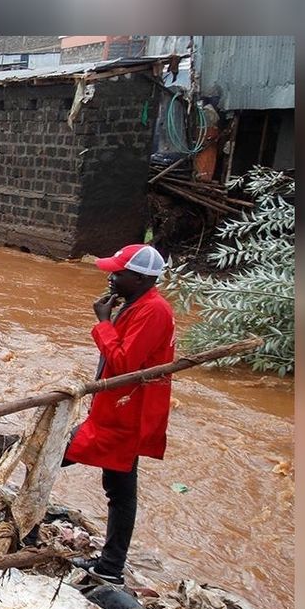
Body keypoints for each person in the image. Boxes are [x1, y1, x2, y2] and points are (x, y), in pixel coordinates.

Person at [63, 244, 175, 586]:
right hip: (116, 408)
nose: (111, 277)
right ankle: (110, 566)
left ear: (140, 278)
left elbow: (125, 364)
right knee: (117, 487)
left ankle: (111, 568)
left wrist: (103, 323)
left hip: (126, 413)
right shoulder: (137, 303)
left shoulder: (153, 311)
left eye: (118, 273)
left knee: (59, 455)